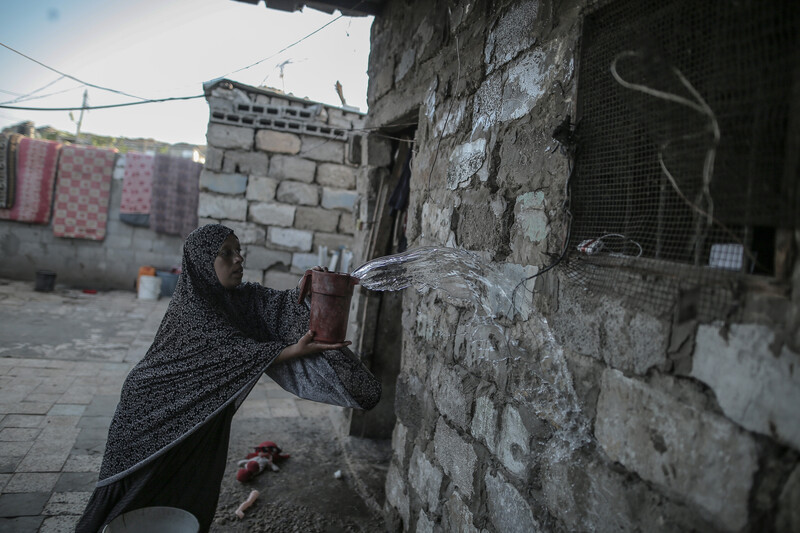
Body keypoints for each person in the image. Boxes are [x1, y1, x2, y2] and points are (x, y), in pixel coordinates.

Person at [76, 223, 380, 532]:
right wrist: (293, 350)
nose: (238, 260)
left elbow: (272, 306)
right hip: (152, 410)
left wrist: (304, 288)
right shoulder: (192, 310)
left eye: (239, 251)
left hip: (200, 409)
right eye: (226, 253)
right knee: (134, 488)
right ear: (202, 262)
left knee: (191, 477)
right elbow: (235, 354)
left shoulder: (234, 296)